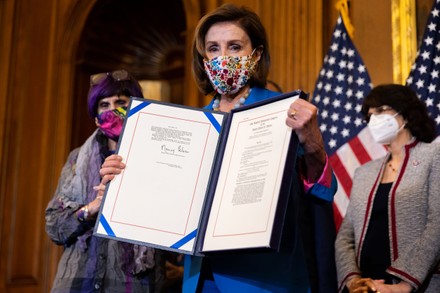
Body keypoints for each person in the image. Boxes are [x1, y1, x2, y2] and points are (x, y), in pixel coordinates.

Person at [98, 4, 338, 292]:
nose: (223, 57)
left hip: (262, 278)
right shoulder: (190, 124)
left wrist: (314, 147)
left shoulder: (283, 111)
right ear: (203, 57)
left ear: (256, 54)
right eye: (213, 48)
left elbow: (321, 191)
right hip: (200, 276)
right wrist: (122, 183)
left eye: (234, 47)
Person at [45, 69, 166, 292]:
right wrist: (90, 209)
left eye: (120, 102)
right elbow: (54, 228)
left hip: (130, 284)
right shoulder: (76, 158)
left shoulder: (159, 156)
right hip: (76, 283)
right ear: (95, 116)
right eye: (104, 105)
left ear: (136, 109)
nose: (113, 110)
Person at [335, 84, 440, 293]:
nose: (374, 120)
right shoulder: (364, 172)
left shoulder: (433, 156)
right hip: (367, 287)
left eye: (381, 111)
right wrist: (354, 280)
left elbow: (437, 223)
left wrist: (404, 284)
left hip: (419, 285)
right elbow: (345, 236)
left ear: (407, 116)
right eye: (370, 115)